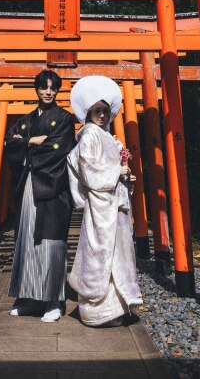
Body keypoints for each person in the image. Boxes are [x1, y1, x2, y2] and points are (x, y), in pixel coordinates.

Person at [66, 76, 143, 327]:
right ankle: (97, 312)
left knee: (118, 253)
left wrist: (125, 175)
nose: (101, 115)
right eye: (96, 111)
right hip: (101, 206)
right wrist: (116, 173)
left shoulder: (108, 136)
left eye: (104, 111)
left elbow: (112, 167)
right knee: (101, 253)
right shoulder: (89, 135)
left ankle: (117, 307)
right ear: (88, 113)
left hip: (114, 203)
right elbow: (88, 169)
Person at [4, 70, 76, 322]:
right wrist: (32, 140)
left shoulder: (65, 119)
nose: (48, 92)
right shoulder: (25, 121)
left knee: (51, 244)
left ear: (57, 91)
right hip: (28, 187)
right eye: (44, 87)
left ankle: (54, 301)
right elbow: (8, 144)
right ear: (36, 89)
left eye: (53, 88)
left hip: (53, 190)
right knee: (26, 242)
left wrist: (25, 143)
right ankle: (27, 298)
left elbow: (59, 149)